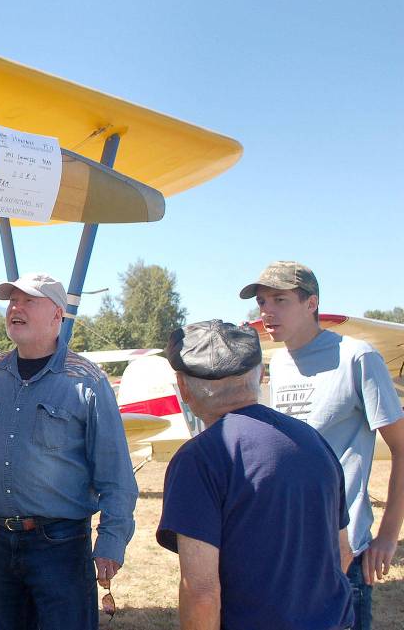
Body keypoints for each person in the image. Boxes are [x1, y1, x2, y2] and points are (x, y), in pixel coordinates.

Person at [0, 272, 137, 630]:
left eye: (29, 300)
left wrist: (111, 541)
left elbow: (115, 474)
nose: (16, 307)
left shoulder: (87, 382)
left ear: (58, 314)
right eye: (12, 301)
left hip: (60, 545)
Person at [157, 319, 354, 630]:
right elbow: (343, 553)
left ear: (183, 387)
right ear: (260, 374)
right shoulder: (312, 440)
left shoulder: (200, 459)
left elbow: (201, 592)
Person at [241, 261, 404, 630]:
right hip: (288, 550)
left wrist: (389, 536)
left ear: (311, 303)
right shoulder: (278, 363)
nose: (266, 310)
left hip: (343, 556)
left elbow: (402, 448)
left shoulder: (357, 357)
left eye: (279, 299)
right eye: (262, 300)